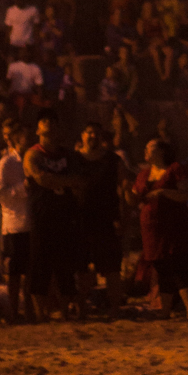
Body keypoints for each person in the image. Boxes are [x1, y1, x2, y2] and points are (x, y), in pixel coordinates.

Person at [24, 112, 87, 320]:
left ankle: (65, 310)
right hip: (42, 214)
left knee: (65, 264)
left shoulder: (69, 155)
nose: (49, 125)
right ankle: (41, 313)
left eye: (53, 122)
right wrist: (66, 181)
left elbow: (80, 180)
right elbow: (42, 179)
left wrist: (58, 180)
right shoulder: (33, 154)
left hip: (65, 214)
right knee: (40, 264)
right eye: (44, 122)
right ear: (38, 130)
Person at [132, 140, 188, 317]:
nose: (145, 150)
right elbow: (135, 196)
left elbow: (185, 194)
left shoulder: (175, 168)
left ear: (162, 151)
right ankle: (165, 311)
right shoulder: (144, 174)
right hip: (153, 229)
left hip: (175, 225)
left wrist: (163, 192)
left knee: (181, 265)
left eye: (150, 147)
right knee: (163, 268)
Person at [75, 122, 125, 314]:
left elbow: (124, 187)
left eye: (96, 133)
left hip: (107, 220)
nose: (92, 136)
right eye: (89, 133)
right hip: (82, 220)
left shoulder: (112, 160)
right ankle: (81, 306)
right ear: (82, 136)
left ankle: (115, 308)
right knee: (83, 267)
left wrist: (124, 217)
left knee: (112, 267)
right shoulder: (75, 160)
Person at [0, 120, 34, 322]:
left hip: (33, 223)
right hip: (15, 225)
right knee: (15, 272)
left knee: (31, 271)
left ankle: (30, 310)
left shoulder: (34, 160)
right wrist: (21, 188)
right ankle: (15, 311)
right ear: (17, 141)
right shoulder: (7, 163)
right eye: (26, 138)